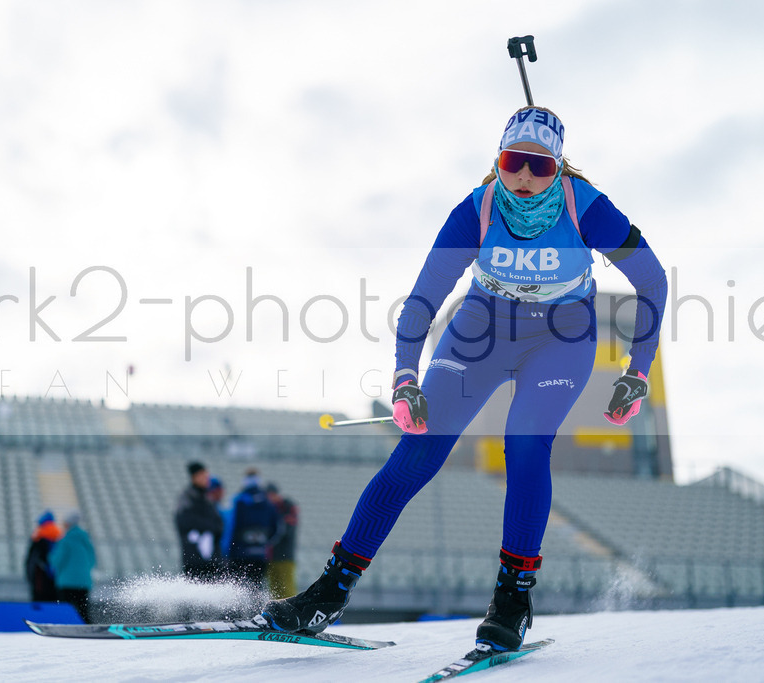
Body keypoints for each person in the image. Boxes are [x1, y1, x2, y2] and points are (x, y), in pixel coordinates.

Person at [261, 105, 667, 653]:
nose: (524, 176)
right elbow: (423, 300)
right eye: (512, 161)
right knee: (416, 450)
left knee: (524, 444)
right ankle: (330, 591)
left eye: (539, 166)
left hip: (560, 337)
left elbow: (651, 278)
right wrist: (405, 378)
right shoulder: (474, 211)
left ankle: (512, 599)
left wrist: (637, 370)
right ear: (497, 162)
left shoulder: (585, 207)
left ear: (560, 169)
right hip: (481, 331)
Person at [228, 469, 281, 590]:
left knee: (238, 590)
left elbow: (230, 527)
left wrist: (229, 551)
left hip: (239, 553)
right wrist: (264, 543)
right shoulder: (268, 503)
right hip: (260, 554)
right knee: (256, 590)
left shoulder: (239, 501)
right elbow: (276, 528)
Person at [175, 462, 226, 581]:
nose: (206, 479)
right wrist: (208, 529)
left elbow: (218, 523)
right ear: (195, 477)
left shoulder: (207, 498)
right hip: (194, 557)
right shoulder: (187, 498)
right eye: (203, 475)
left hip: (212, 557)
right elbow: (184, 521)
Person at [49, 511, 96, 623]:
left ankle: (65, 627)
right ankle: (87, 628)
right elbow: (92, 560)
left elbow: (57, 561)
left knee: (65, 609)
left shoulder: (66, 540)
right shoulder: (86, 540)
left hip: (67, 582)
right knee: (83, 610)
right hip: (84, 582)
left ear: (68, 524)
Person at [265, 483, 298, 599]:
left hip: (285, 556)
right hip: (272, 556)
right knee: (274, 591)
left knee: (287, 590)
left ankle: (290, 614)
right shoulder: (272, 508)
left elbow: (284, 530)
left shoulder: (287, 507)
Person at [25, 510, 63, 602]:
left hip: (40, 579)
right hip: (57, 579)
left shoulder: (38, 538)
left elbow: (31, 561)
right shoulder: (60, 537)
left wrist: (29, 577)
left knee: (40, 605)